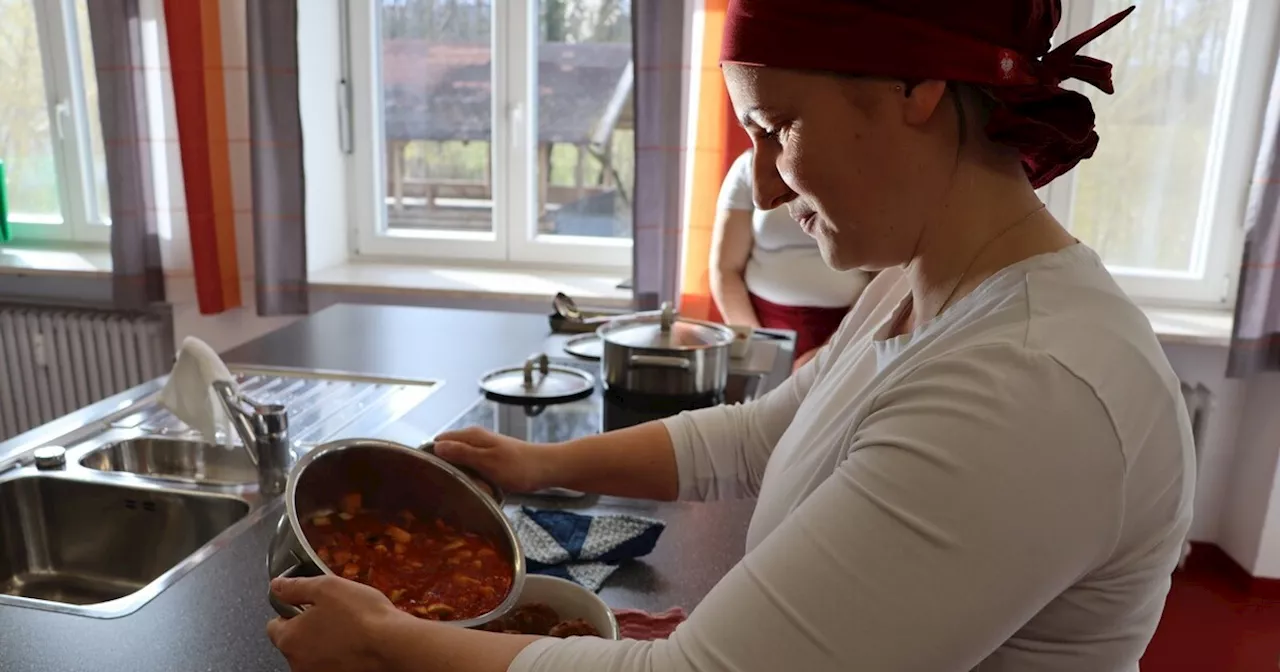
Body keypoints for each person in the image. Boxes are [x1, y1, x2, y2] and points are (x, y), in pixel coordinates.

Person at [266, 1, 1196, 670]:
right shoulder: (920, 284)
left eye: (779, 126)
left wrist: (384, 640)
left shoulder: (1030, 387)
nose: (768, 185)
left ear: (916, 86)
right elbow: (761, 435)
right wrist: (537, 467)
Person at [711, 148, 872, 368]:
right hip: (759, 326)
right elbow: (725, 269)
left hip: (852, 329)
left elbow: (888, 274)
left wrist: (832, 348)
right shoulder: (748, 167)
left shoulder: (867, 168)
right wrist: (756, 342)